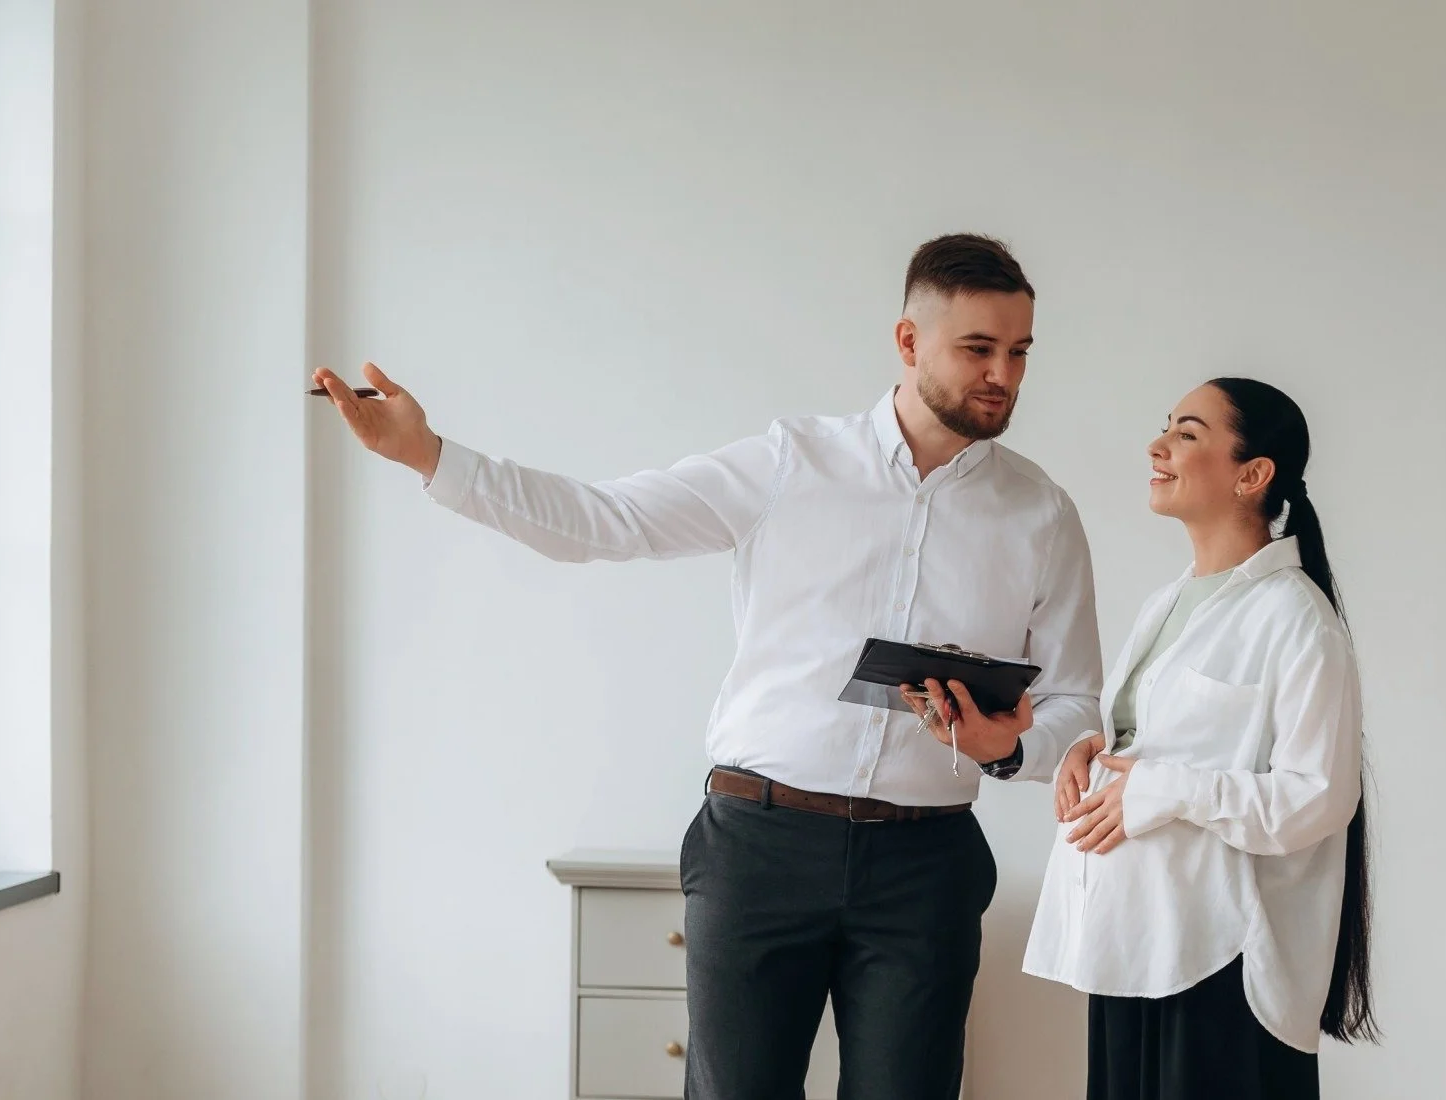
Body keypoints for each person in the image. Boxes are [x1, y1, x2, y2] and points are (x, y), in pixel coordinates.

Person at [312, 234, 1103, 1100]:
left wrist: (1005, 747)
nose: (1004, 375)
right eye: (978, 349)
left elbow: (1075, 703)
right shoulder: (788, 464)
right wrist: (430, 456)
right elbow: (601, 520)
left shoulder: (1042, 515)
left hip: (927, 866)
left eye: (1019, 352)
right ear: (909, 343)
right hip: (761, 847)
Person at [1022, 378, 1378, 1100]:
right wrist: (1091, 753)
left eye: (1187, 433)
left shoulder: (1297, 621)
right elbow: (1153, 739)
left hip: (1222, 962)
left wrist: (1157, 789)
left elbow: (1317, 797)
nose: (1158, 447)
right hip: (1133, 944)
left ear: (1253, 475)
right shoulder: (1169, 601)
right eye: (1166, 429)